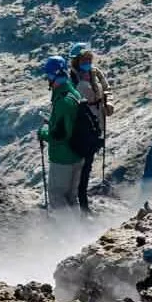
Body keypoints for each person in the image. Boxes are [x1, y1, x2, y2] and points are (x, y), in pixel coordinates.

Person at [37, 56, 87, 210]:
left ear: (53, 76)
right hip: (77, 155)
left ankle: (70, 233)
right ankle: (81, 230)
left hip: (63, 158)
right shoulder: (74, 93)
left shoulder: (63, 101)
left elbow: (59, 135)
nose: (47, 79)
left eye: (48, 76)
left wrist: (43, 132)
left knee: (57, 197)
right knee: (71, 198)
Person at [68, 42, 112, 211]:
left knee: (88, 163)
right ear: (76, 61)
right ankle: (80, 203)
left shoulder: (94, 73)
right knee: (82, 166)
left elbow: (107, 88)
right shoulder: (72, 79)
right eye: (83, 59)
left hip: (97, 120)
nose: (87, 62)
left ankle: (82, 201)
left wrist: (108, 102)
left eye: (89, 59)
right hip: (83, 126)